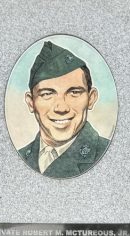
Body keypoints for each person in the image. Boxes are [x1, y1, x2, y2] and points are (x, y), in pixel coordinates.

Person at [18, 41, 110, 178]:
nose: (61, 108)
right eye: (47, 94)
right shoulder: (21, 155)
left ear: (91, 99)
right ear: (31, 103)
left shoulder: (104, 152)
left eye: (74, 93)